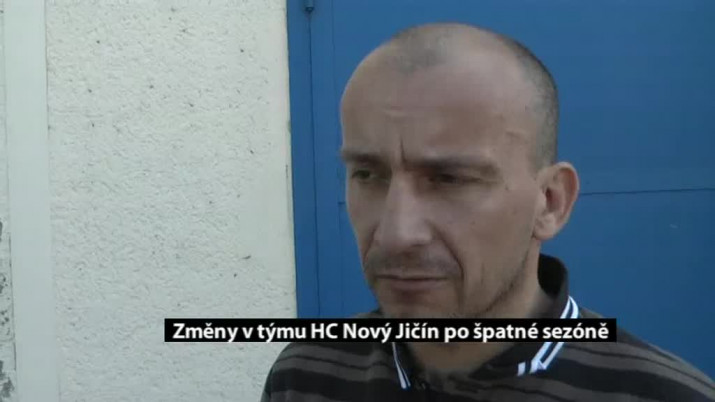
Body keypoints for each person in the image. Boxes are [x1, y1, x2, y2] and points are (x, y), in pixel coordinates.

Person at [261, 22, 715, 401]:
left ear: (550, 202)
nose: (396, 234)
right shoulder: (307, 375)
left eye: (450, 179)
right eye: (367, 174)